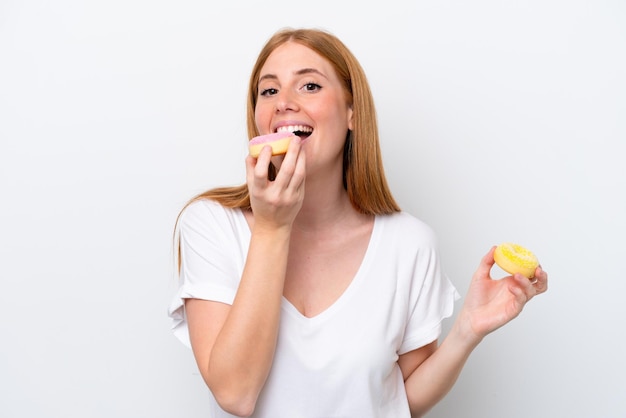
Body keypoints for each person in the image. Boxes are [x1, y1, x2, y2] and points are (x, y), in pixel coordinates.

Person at [168, 27, 548, 418]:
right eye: (269, 91)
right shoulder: (211, 225)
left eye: (309, 86)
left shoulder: (409, 243)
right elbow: (235, 394)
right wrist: (272, 228)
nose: (283, 102)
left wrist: (468, 329)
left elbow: (399, 399)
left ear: (352, 113)